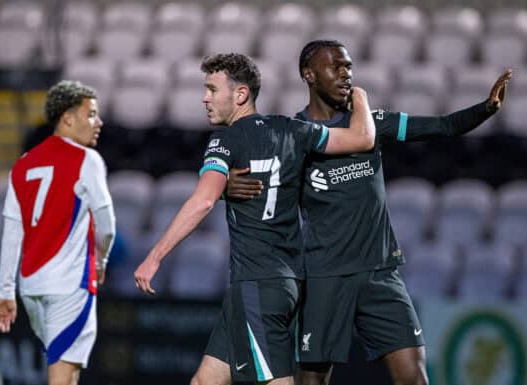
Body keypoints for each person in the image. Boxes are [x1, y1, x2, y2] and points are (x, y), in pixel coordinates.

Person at [226, 40, 513, 385]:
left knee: (414, 377)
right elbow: (255, 180)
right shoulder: (294, 135)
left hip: (380, 273)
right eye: (336, 67)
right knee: (311, 381)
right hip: (324, 276)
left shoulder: (371, 122)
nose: (346, 74)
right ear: (309, 75)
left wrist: (486, 108)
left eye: (349, 67)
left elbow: (443, 126)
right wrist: (224, 188)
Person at [133, 53, 376, 385]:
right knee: (206, 381)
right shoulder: (294, 130)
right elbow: (363, 138)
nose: (204, 98)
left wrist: (154, 256)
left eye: (212, 89)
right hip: (283, 282)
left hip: (257, 283)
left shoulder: (225, 140)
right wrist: (359, 96)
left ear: (240, 95)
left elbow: (203, 200)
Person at [0, 80, 116, 385]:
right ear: (67, 118)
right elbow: (107, 224)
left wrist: (5, 291)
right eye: (91, 114)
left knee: (67, 372)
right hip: (69, 284)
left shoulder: (22, 165)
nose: (98, 122)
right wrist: (101, 261)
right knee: (61, 375)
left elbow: (11, 233)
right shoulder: (87, 159)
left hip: (31, 286)